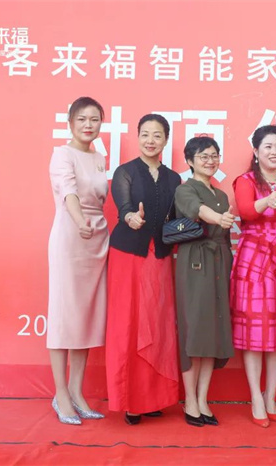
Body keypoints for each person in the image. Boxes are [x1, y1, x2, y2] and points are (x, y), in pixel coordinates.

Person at [105, 114, 182, 425]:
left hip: (160, 256)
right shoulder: (125, 172)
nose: (151, 140)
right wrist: (130, 218)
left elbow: (175, 218)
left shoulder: (174, 179)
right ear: (137, 137)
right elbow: (124, 208)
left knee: (158, 323)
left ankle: (153, 398)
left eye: (157, 135)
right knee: (129, 323)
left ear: (166, 140)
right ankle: (130, 400)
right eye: (146, 134)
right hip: (128, 255)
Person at [230, 125, 276, 428]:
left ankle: (270, 396)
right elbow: (246, 212)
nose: (274, 151)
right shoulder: (245, 180)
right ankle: (255, 398)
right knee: (254, 330)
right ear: (256, 152)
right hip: (254, 258)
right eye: (268, 146)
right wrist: (265, 202)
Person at [47, 96, 108, 425]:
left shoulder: (99, 157)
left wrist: (91, 224)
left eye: (94, 119)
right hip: (71, 236)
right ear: (70, 122)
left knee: (86, 316)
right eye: (82, 119)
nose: (88, 124)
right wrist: (79, 220)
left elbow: (99, 198)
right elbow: (69, 192)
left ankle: (77, 391)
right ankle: (60, 394)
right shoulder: (62, 154)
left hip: (97, 239)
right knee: (64, 316)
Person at [174, 136, 236, 427]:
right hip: (194, 262)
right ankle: (189, 400)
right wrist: (218, 219)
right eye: (203, 156)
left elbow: (225, 234)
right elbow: (198, 210)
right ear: (190, 161)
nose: (210, 161)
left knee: (213, 329)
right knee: (194, 329)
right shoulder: (185, 189)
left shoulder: (221, 194)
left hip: (219, 262)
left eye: (214, 155)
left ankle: (202, 399)